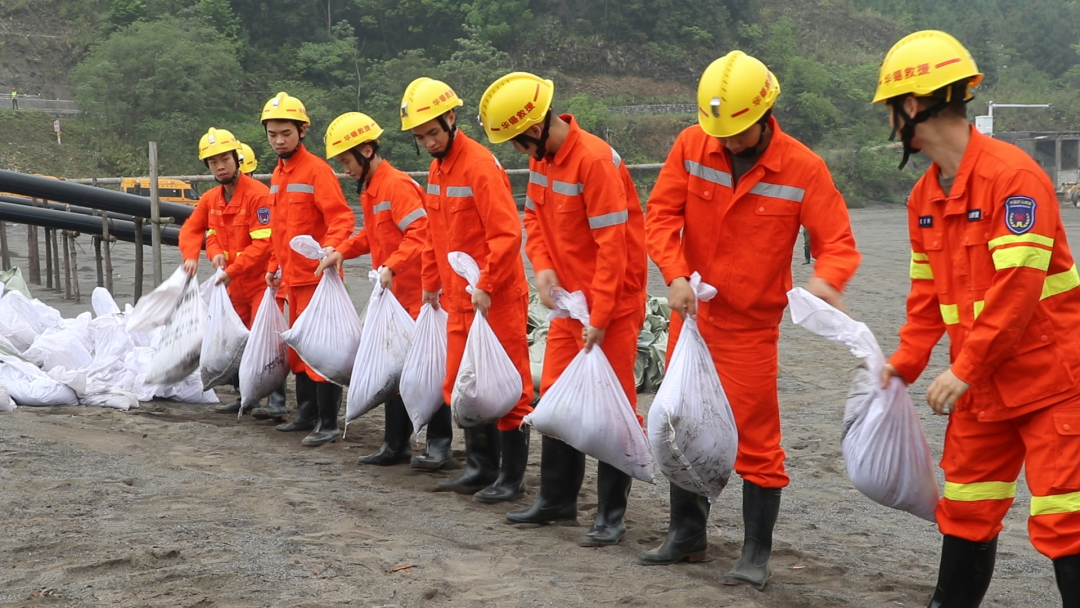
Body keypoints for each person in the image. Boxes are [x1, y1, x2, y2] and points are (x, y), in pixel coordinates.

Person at [875, 30, 1080, 607]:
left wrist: (963, 369)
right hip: (981, 387)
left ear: (912, 106)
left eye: (891, 109)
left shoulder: (1013, 178)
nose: (889, 121)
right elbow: (925, 297)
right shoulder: (924, 198)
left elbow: (1018, 291)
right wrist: (904, 363)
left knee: (1064, 517)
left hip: (1050, 382)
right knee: (966, 509)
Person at [643, 50, 861, 589]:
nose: (729, 142)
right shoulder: (692, 144)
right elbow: (661, 216)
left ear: (765, 115)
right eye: (720, 133)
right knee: (682, 422)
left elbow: (837, 242)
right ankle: (686, 535)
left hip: (750, 329)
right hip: (693, 320)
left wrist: (826, 282)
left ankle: (755, 553)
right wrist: (674, 273)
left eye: (738, 132)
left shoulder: (803, 168)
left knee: (758, 443)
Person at [477, 72, 648, 545]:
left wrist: (602, 315)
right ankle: (557, 499)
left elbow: (613, 245)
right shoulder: (543, 160)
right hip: (569, 303)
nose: (518, 151)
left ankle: (610, 515)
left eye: (518, 141)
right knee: (555, 399)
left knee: (612, 407)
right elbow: (533, 217)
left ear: (535, 127)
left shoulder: (593, 160)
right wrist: (544, 268)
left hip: (610, 304)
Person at [400, 77, 534, 496]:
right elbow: (434, 235)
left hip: (495, 298)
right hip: (459, 300)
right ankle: (480, 467)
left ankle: (510, 478)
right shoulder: (437, 170)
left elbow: (507, 234)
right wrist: (430, 283)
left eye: (433, 133)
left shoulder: (479, 166)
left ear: (452, 119)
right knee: (465, 383)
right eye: (420, 137)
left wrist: (488, 284)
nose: (429, 142)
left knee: (509, 387)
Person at [315, 111, 433, 466]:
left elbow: (421, 234)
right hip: (394, 294)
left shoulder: (396, 186)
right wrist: (341, 251)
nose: (345, 169)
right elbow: (372, 234)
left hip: (415, 293)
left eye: (347, 161)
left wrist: (393, 266)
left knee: (419, 370)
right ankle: (395, 445)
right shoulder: (371, 188)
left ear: (366, 151)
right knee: (393, 368)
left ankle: (435, 446)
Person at [261, 92, 355, 447]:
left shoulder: (317, 171)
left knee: (322, 351)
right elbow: (279, 229)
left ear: (302, 131)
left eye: (286, 133)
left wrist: (331, 248)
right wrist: (274, 265)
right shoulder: (277, 174)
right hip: (292, 280)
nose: (279, 140)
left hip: (317, 280)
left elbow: (341, 217)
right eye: (272, 134)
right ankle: (306, 414)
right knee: (299, 351)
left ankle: (328, 422)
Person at [178, 127, 281, 414]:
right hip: (232, 284)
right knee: (237, 340)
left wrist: (232, 269)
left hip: (260, 281)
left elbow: (264, 244)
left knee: (265, 338)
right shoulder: (211, 199)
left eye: (225, 159)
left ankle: (276, 401)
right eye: (213, 162)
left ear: (237, 159)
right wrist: (203, 256)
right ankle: (245, 395)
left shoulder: (258, 196)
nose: (220, 166)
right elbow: (199, 231)